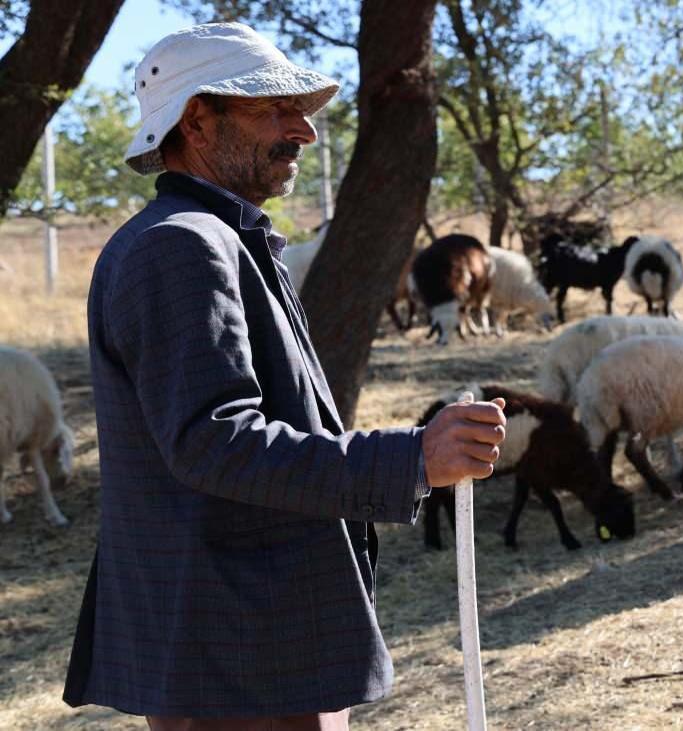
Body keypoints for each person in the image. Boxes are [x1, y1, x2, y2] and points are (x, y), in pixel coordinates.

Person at [63, 23, 505, 730]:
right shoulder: (180, 246)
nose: (304, 130)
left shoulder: (217, 240)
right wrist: (412, 457)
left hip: (250, 648)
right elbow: (216, 442)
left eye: (302, 110)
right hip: (239, 656)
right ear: (197, 120)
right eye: (275, 108)